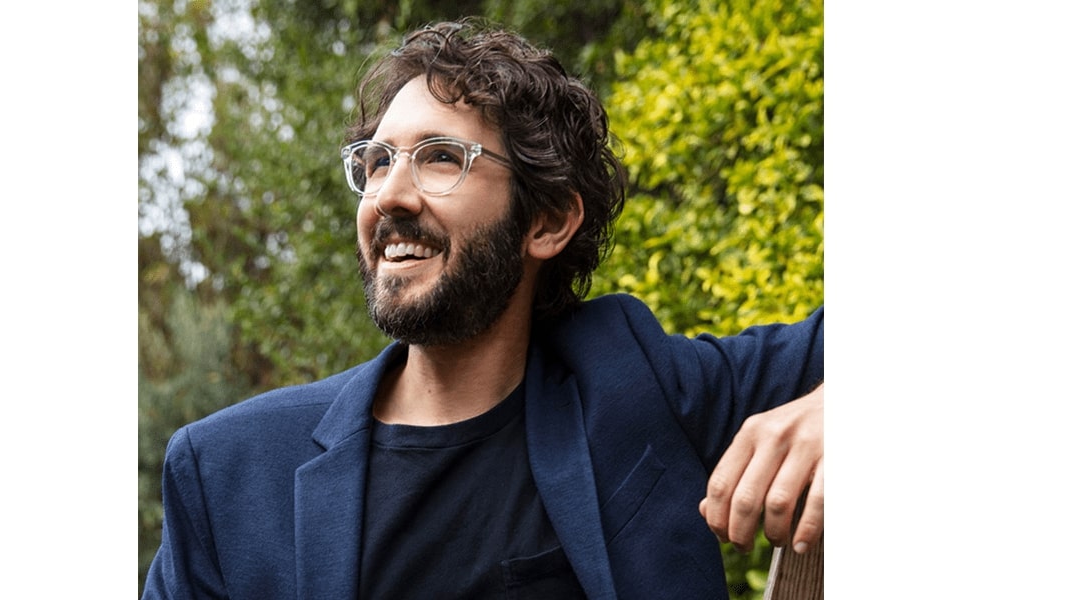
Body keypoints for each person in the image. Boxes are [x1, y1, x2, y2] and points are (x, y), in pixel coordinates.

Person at [142, 18, 824, 600]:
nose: (388, 196)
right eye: (377, 162)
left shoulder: (634, 380)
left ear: (548, 223)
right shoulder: (227, 471)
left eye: (441, 158)